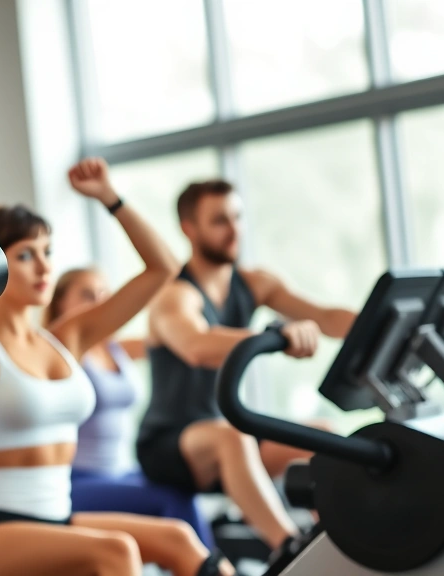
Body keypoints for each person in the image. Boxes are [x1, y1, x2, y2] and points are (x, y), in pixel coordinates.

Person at [0, 158, 234, 576]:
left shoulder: (67, 339)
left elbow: (164, 268)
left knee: (178, 538)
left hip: (58, 516)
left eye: (48, 252)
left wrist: (109, 197)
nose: (45, 268)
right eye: (26, 255)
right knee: (116, 552)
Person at [138, 178, 356, 553]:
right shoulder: (174, 296)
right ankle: (290, 549)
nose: (234, 229)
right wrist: (277, 336)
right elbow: (196, 346)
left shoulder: (255, 284)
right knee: (231, 436)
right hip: (170, 444)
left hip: (229, 433)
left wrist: (384, 322)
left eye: (237, 217)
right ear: (189, 229)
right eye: (220, 220)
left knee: (324, 437)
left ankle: (338, 545)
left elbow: (324, 317)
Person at [45, 268, 212, 545]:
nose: (100, 303)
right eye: (87, 295)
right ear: (60, 302)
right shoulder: (60, 350)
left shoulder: (114, 348)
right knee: (170, 500)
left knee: (183, 488)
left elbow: (169, 342)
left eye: (104, 295)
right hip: (80, 480)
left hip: (124, 471)